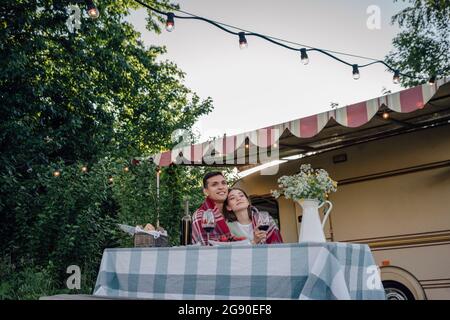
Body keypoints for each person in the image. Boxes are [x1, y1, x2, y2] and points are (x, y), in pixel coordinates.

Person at [191, 171, 232, 245]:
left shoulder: (233, 210)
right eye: (214, 184)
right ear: (206, 192)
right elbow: (206, 247)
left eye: (223, 183)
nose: (221, 187)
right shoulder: (201, 215)